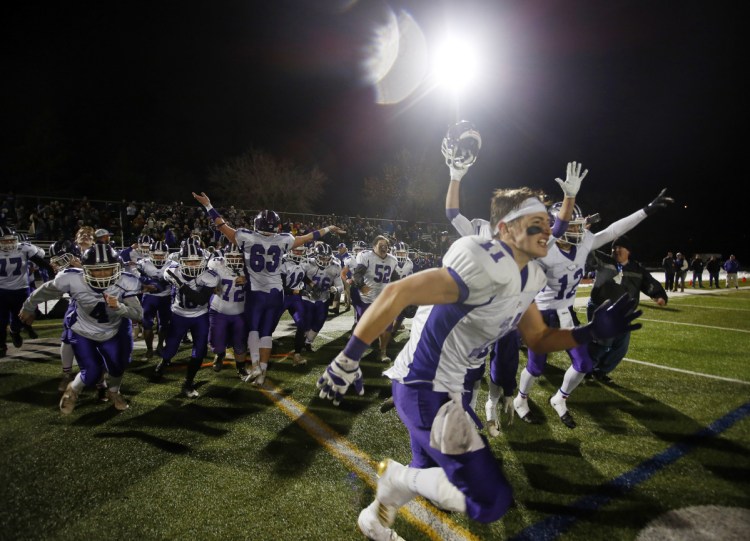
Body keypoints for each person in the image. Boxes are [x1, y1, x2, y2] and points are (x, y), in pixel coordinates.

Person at [315, 187, 642, 541]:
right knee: (490, 500)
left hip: (448, 386)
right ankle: (393, 478)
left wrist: (589, 331)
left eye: (547, 223)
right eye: (536, 223)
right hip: (424, 384)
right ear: (504, 229)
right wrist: (347, 358)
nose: (547, 230)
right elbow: (399, 292)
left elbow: (538, 339)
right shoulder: (481, 259)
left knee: (427, 470)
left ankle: (377, 520)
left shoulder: (531, 275)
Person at [517, 185, 673, 428]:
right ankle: (520, 399)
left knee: (583, 364)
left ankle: (559, 398)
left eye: (579, 225)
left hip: (566, 313)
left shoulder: (583, 244)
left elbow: (613, 230)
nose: (579, 230)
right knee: (536, 368)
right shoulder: (543, 249)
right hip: (542, 315)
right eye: (572, 225)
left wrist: (646, 211)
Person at [191, 191, 345, 386]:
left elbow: (221, 225)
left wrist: (208, 206)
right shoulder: (284, 239)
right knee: (266, 333)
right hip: (276, 293)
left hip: (256, 292)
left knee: (254, 330)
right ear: (276, 226)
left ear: (256, 224)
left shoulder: (245, 236)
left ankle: (255, 366)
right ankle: (262, 372)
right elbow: (308, 237)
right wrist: (328, 228)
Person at [19, 244, 142, 413]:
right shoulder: (71, 278)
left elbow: (138, 314)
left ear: (118, 268)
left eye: (108, 269)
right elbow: (45, 290)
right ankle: (73, 390)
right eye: (96, 270)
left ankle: (114, 392)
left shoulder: (127, 282)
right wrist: (28, 306)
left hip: (114, 330)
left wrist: (119, 307)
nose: (103, 274)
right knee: (91, 371)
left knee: (118, 366)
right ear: (84, 269)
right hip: (83, 330)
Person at [586, 236, 668, 383]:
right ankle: (585, 369)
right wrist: (585, 235)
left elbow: (649, 283)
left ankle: (600, 372)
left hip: (623, 314)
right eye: (614, 248)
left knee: (620, 348)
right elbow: (586, 252)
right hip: (601, 310)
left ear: (628, 251)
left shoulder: (636, 269)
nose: (616, 250)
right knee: (602, 343)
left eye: (620, 247)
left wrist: (659, 295)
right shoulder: (604, 261)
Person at [154, 243, 221, 398]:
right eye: (189, 261)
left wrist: (182, 286)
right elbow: (162, 283)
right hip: (179, 315)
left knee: (199, 351)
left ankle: (188, 382)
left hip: (200, 315)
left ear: (203, 260)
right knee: (170, 348)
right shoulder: (171, 271)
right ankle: (164, 361)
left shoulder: (209, 276)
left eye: (196, 261)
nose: (193, 264)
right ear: (181, 261)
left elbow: (201, 299)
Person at [0, 226, 54, 358]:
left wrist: (52, 271)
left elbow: (41, 262)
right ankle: (1, 344)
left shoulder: (23, 248)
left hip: (21, 289)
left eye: (11, 240)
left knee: (21, 317)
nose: (9, 243)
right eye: (4, 241)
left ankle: (14, 331)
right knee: (1, 320)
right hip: (1, 290)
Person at [351, 235, 399, 362]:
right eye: (381, 244)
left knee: (387, 326)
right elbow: (357, 274)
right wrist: (361, 285)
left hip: (383, 298)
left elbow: (395, 278)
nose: (384, 247)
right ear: (374, 246)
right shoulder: (367, 257)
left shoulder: (392, 260)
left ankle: (382, 352)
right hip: (366, 298)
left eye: (386, 245)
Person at [207, 244, 249, 378]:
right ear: (225, 256)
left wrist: (248, 281)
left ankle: (241, 367)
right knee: (217, 342)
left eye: (238, 257)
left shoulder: (250, 269)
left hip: (240, 311)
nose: (235, 259)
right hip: (219, 309)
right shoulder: (216, 264)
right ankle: (220, 354)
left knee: (240, 342)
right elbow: (204, 278)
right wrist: (211, 286)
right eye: (231, 256)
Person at [334, 243, 351, 310]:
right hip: (338, 276)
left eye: (340, 248)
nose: (339, 249)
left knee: (347, 291)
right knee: (338, 290)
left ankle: (348, 305)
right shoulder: (337, 256)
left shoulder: (349, 256)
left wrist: (348, 276)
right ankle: (336, 307)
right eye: (338, 248)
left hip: (346, 276)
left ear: (344, 248)